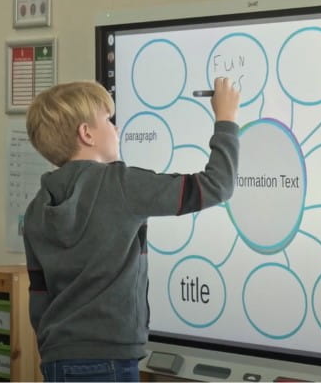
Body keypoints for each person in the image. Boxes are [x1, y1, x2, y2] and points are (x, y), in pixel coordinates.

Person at [23, 77, 240, 382]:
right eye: (108, 121)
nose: (116, 128)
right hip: (109, 359)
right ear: (86, 134)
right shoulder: (120, 185)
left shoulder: (36, 208)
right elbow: (216, 186)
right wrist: (226, 119)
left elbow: (40, 294)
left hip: (57, 359)